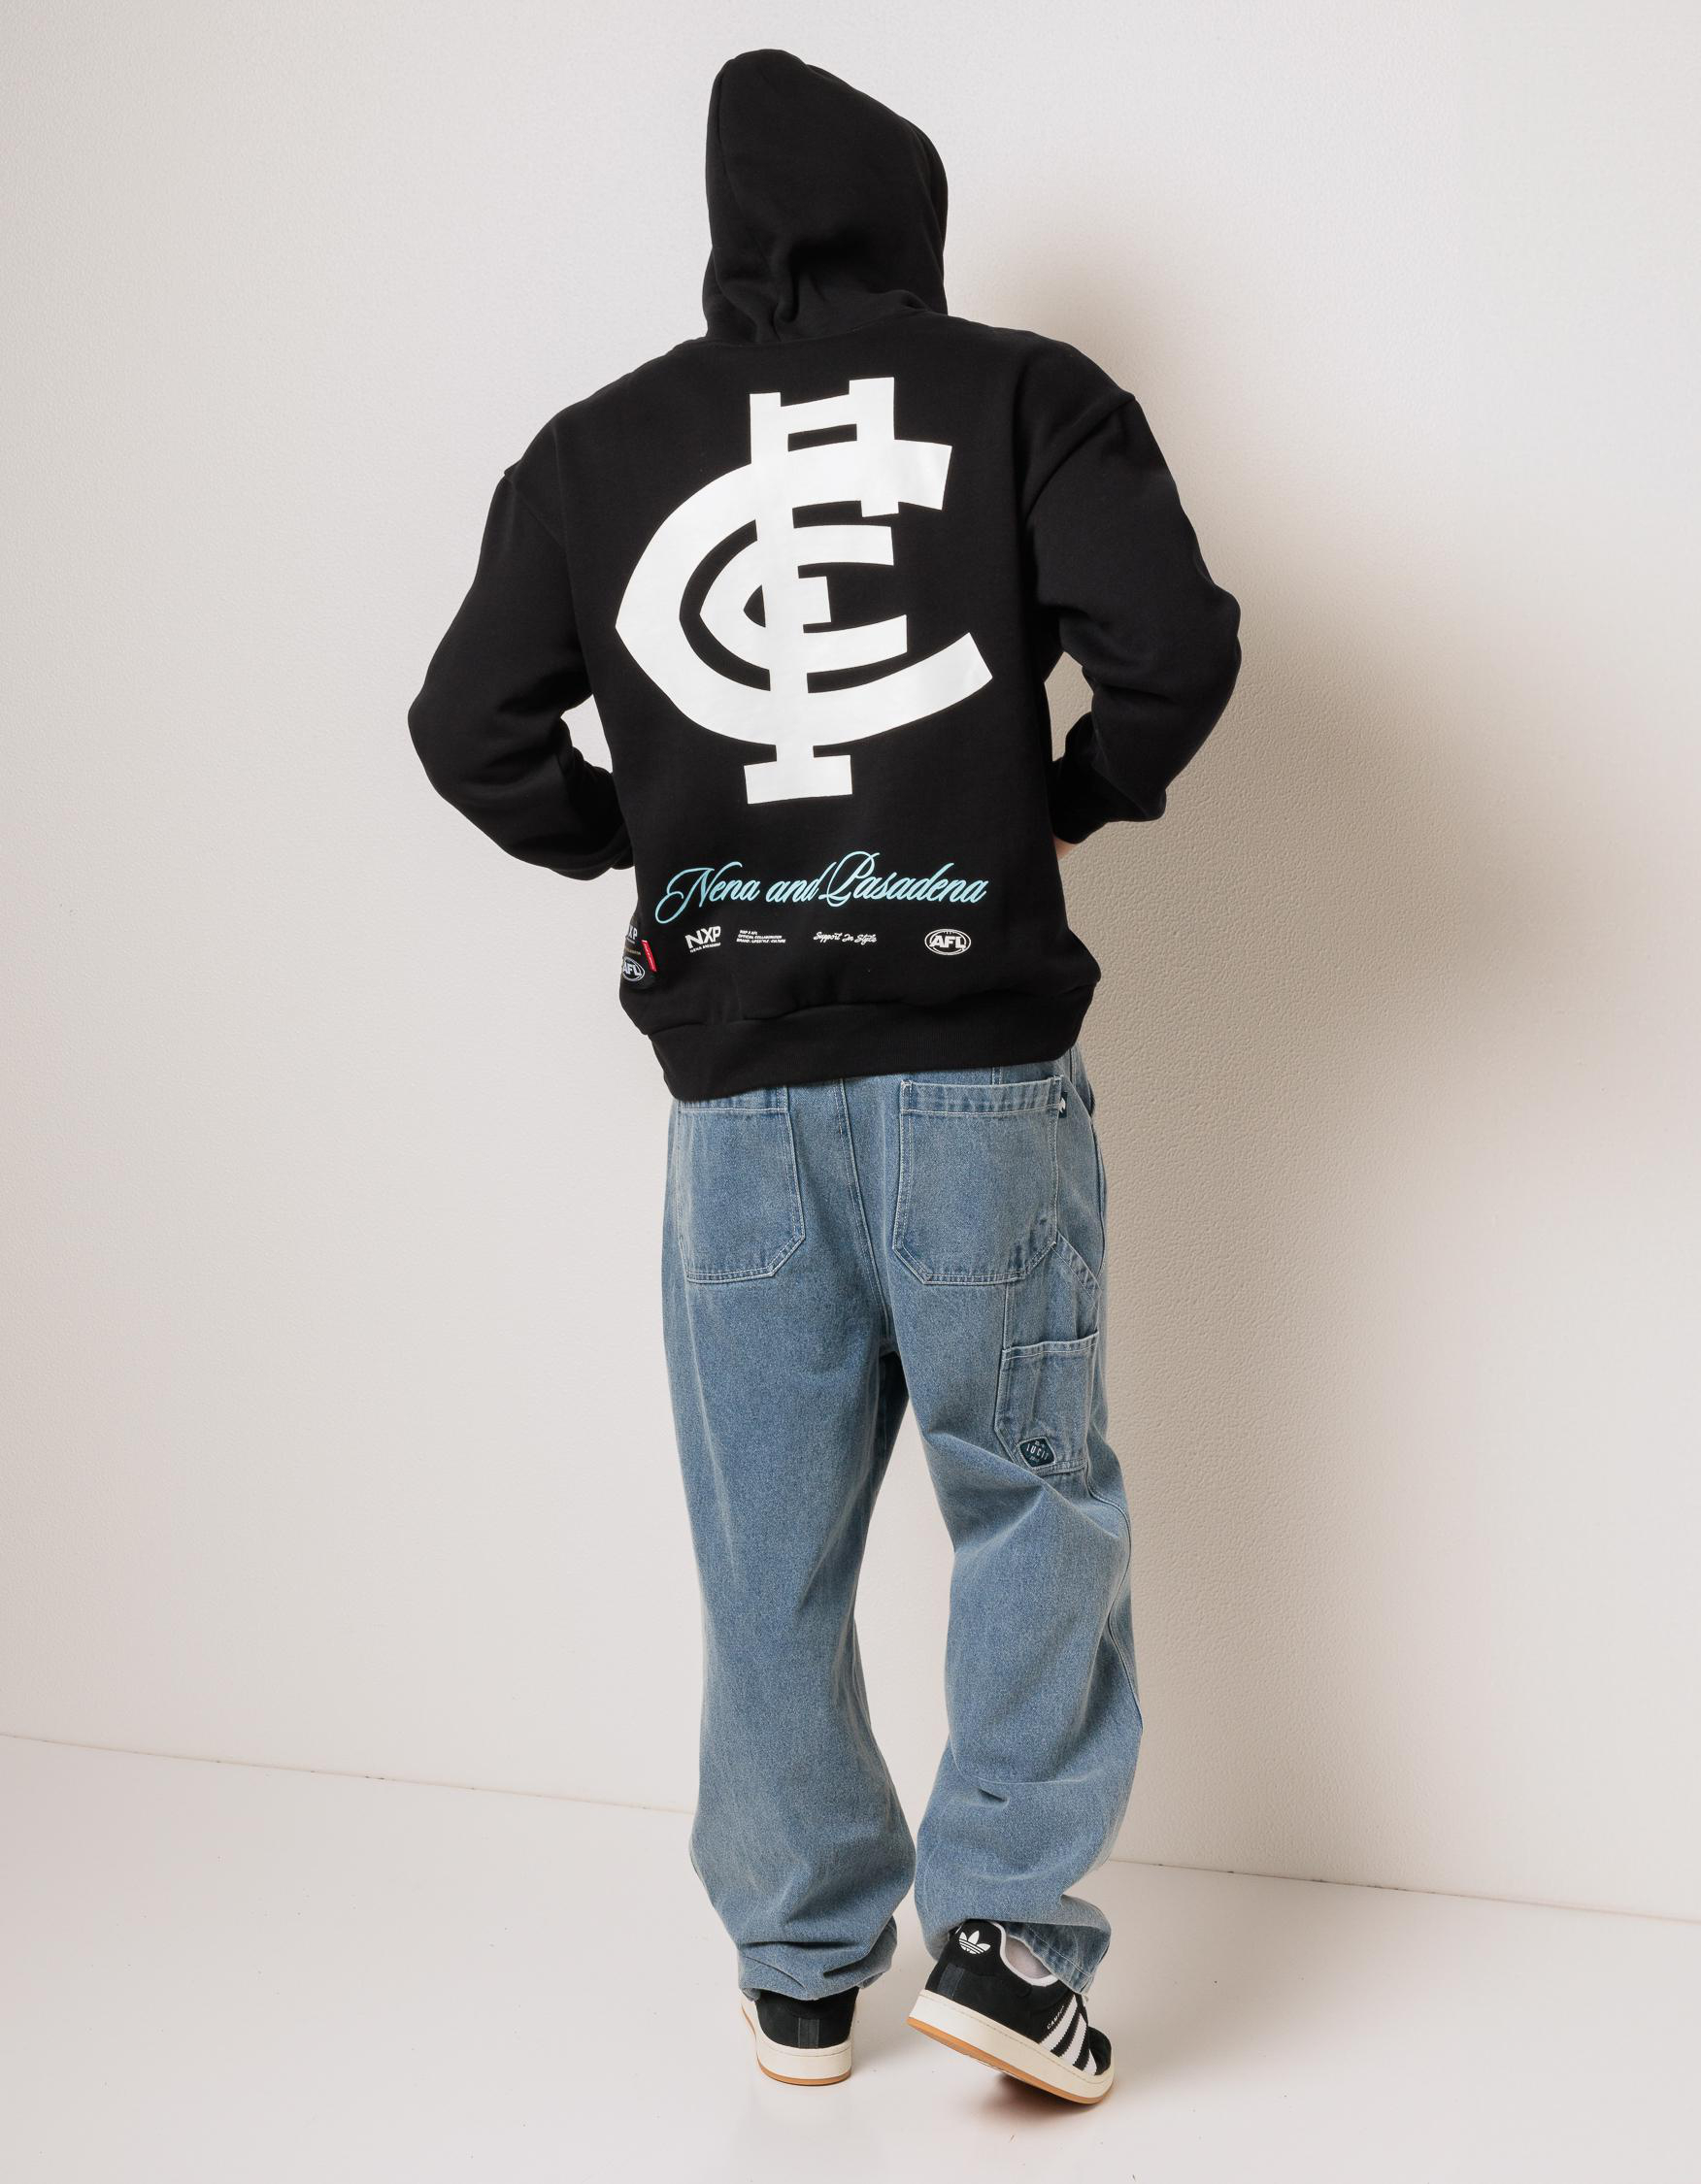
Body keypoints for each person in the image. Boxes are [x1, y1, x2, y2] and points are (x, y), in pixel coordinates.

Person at [408, 48, 1240, 2106]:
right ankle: (1008, 1942)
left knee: (761, 1534)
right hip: (978, 1075)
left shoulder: (600, 451)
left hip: (738, 1104)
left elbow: (465, 725)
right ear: (914, 219)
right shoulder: (1025, 396)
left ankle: (799, 1970)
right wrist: (1067, 796)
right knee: (1029, 1497)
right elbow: (1176, 647)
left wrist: (650, 842)